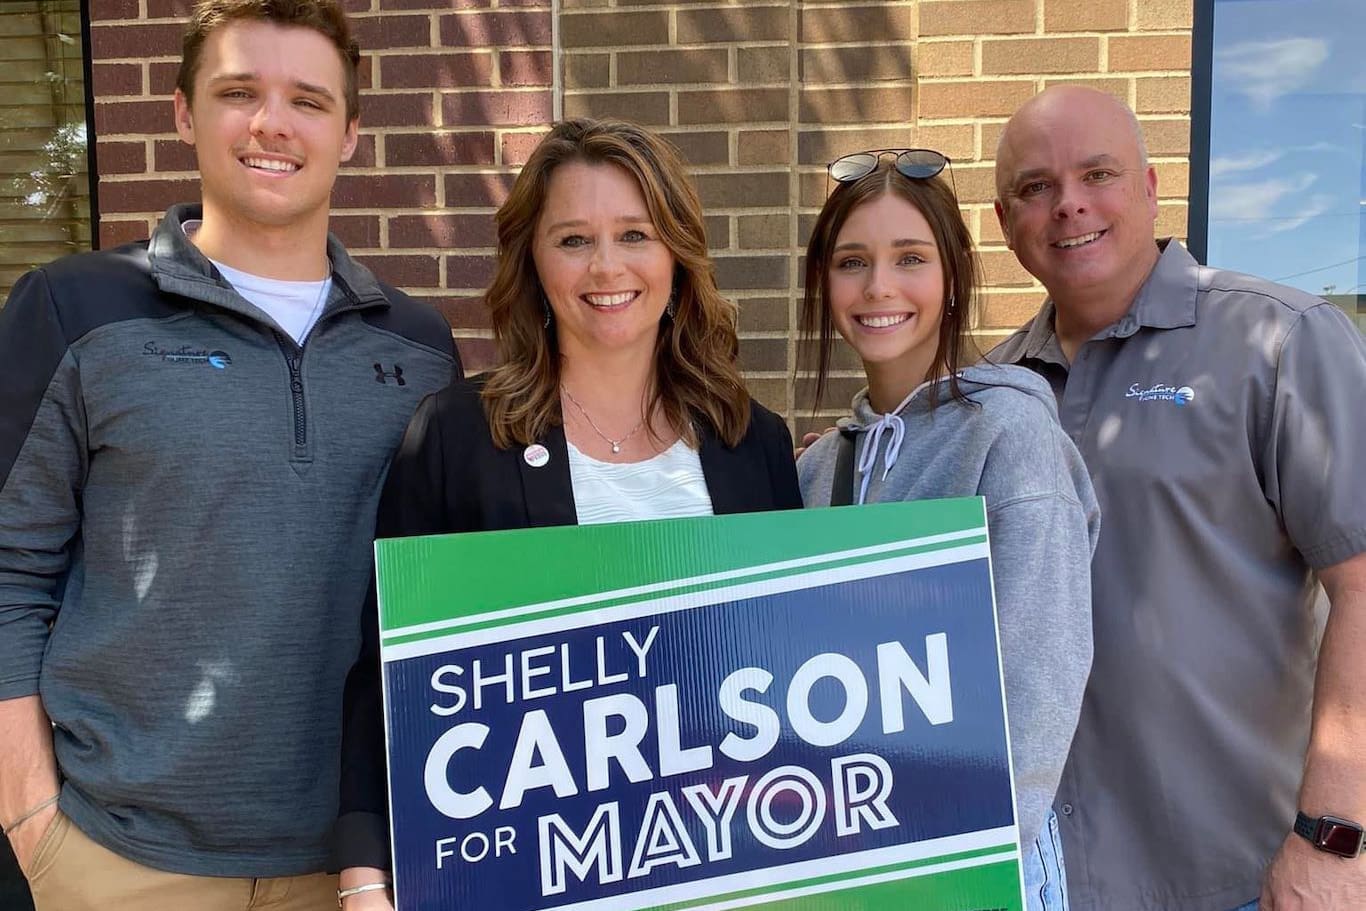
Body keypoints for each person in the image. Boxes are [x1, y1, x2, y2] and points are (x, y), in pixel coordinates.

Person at [0, 0, 459, 908]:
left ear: (352, 132)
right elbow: (10, 568)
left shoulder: (418, 346)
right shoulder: (74, 308)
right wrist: (30, 815)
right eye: (238, 91)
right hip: (119, 857)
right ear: (183, 112)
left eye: (308, 100)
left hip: (359, 866)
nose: (270, 124)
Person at [330, 117, 802, 909]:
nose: (607, 266)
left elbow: (789, 667)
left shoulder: (751, 442)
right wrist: (365, 877)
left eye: (635, 234)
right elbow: (387, 675)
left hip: (725, 865)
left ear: (677, 256)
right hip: (513, 874)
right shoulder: (455, 436)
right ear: (534, 263)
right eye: (574, 239)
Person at [991, 84, 1366, 911]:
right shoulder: (993, 395)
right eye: (1035, 188)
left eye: (1099, 173)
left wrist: (1335, 836)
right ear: (1002, 220)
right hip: (1044, 884)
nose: (1069, 206)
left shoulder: (1280, 341)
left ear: (1153, 186)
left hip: (1243, 878)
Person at [796, 149, 1099, 911]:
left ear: (953, 273)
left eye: (910, 258)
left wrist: (964, 868)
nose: (879, 288)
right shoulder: (816, 470)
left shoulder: (1009, 436)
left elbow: (1038, 686)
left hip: (974, 866)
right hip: (846, 859)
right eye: (852, 261)